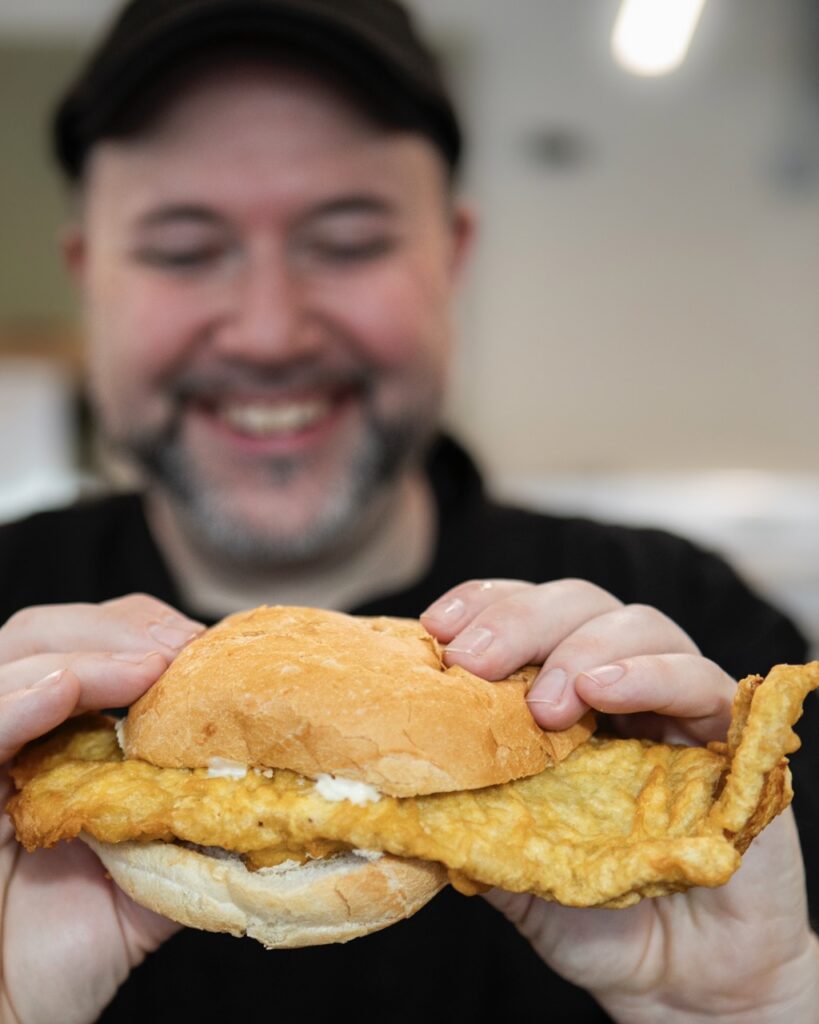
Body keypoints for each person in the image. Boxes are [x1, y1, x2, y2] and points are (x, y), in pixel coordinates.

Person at [0, 1, 817, 1021]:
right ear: (90, 282)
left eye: (347, 241)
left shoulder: (692, 672)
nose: (266, 330)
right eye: (181, 248)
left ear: (453, 259)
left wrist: (756, 1006)